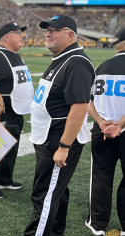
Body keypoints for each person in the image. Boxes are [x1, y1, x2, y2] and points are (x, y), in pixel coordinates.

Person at [24, 15, 95, 236]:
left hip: (58, 140)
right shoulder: (64, 58)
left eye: (55, 30)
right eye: (47, 30)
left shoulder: (76, 62)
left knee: (44, 196)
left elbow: (80, 107)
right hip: (49, 138)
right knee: (56, 193)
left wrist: (64, 146)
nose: (48, 33)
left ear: (71, 35)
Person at [0, 22, 34, 199]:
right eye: (18, 33)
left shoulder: (13, 55)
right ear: (6, 37)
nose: (22, 36)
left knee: (12, 147)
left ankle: (5, 179)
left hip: (16, 111)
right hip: (4, 112)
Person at [85, 28, 125, 236]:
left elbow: (87, 101)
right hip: (120, 129)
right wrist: (119, 124)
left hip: (101, 131)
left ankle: (97, 223)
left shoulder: (101, 66)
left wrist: (101, 122)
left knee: (100, 177)